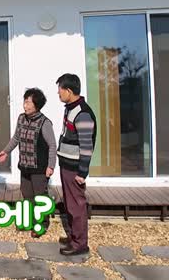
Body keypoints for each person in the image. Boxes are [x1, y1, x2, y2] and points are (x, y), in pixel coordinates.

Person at [0, 88, 56, 238]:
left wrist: (51, 166)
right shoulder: (21, 118)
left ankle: (42, 224)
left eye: (28, 102)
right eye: (25, 102)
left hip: (39, 167)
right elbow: (16, 138)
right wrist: (6, 151)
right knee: (27, 195)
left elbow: (52, 145)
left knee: (40, 197)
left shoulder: (45, 123)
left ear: (37, 104)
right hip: (24, 166)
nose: (25, 105)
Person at [55, 73, 97, 256]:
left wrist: (82, 172)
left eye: (60, 90)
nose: (58, 93)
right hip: (66, 165)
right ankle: (74, 236)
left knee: (76, 206)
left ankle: (80, 244)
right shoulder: (70, 109)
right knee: (69, 204)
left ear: (69, 91)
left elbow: (87, 147)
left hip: (74, 169)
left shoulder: (82, 113)